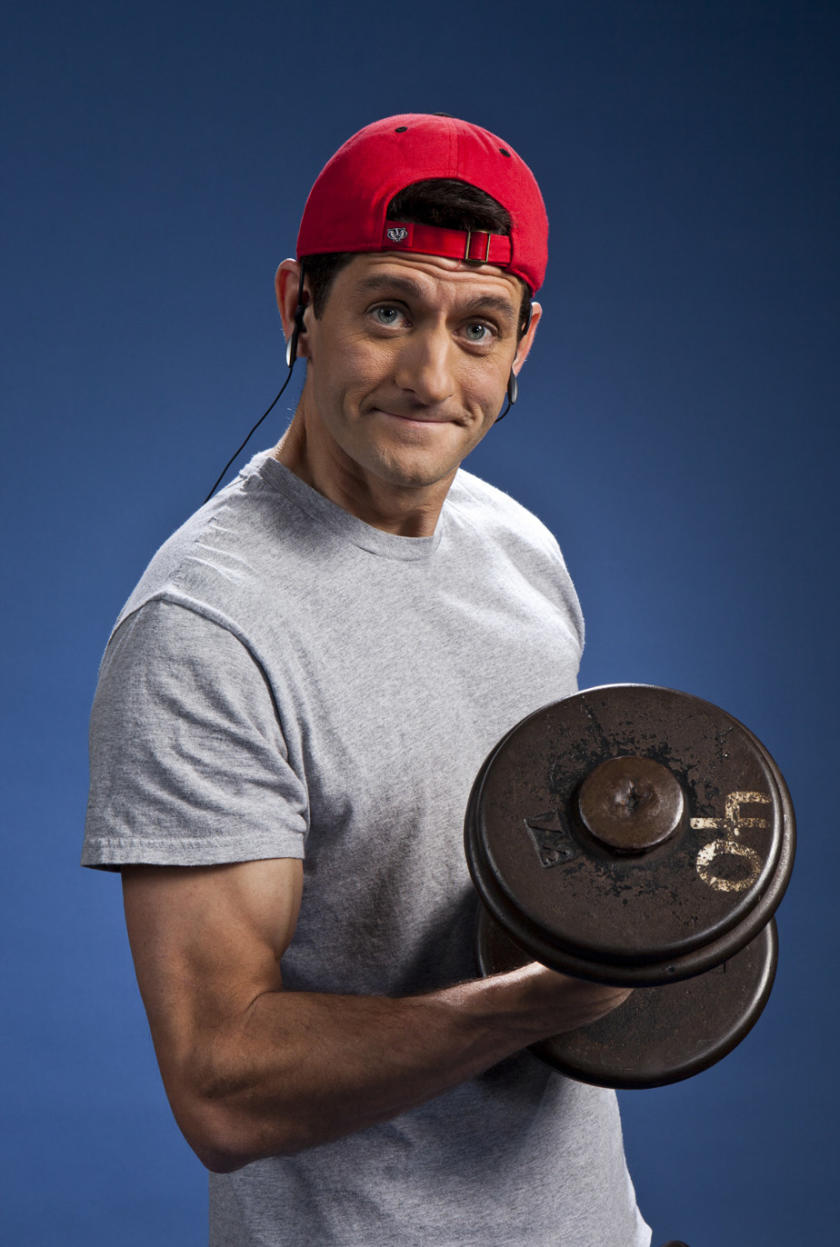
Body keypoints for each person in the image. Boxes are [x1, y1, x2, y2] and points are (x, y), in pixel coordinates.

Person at [83, 113, 652, 1246]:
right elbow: (222, 1082)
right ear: (300, 305)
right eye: (388, 310)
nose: (431, 375)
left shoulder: (521, 548)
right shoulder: (207, 627)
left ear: (524, 343)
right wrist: (544, 998)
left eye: (478, 327)